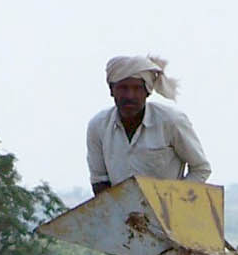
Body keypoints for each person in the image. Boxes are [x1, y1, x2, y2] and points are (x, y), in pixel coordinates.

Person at [86, 54, 212, 195]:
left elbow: (201, 168)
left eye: (136, 88)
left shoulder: (171, 121)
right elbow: (99, 181)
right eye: (123, 88)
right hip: (120, 214)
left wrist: (173, 201)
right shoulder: (98, 126)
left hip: (168, 213)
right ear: (111, 90)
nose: (130, 96)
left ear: (147, 91)